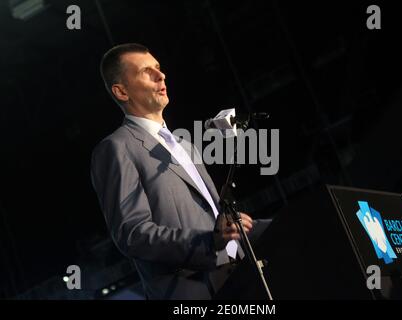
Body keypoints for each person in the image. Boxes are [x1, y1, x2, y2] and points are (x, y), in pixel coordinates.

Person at [90, 43, 269, 299]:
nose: (161, 76)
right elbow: (133, 234)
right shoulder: (116, 148)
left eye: (158, 68)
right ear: (121, 91)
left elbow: (215, 218)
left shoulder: (185, 145)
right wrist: (208, 242)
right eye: (145, 72)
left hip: (239, 279)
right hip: (192, 291)